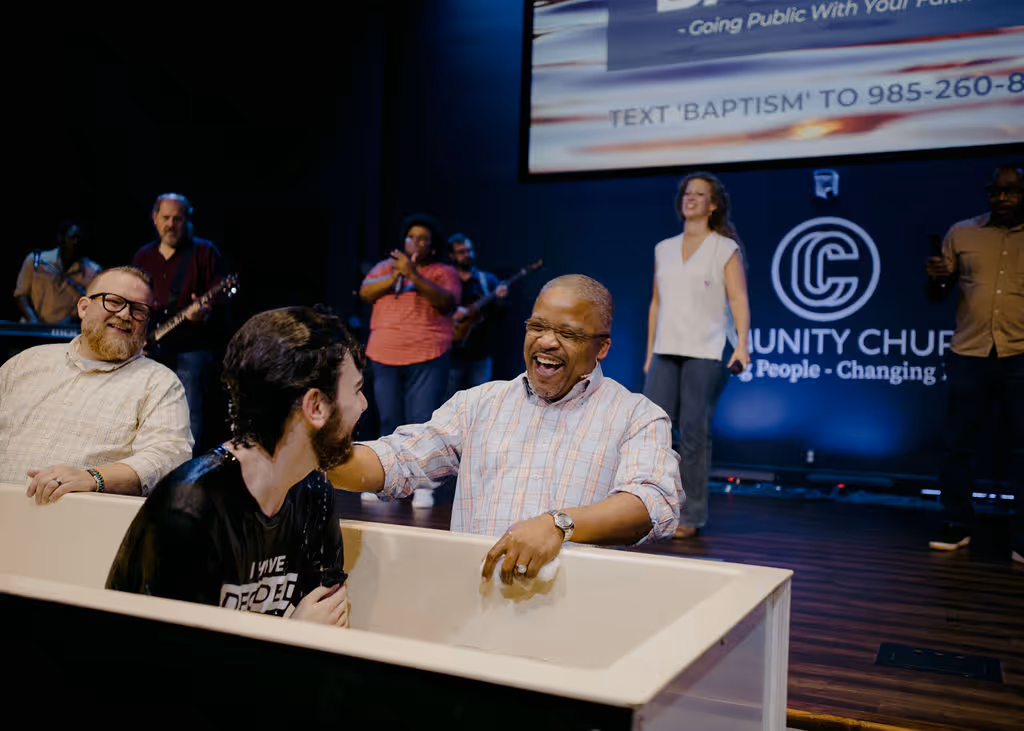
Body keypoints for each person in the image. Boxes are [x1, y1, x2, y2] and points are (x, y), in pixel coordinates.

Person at [329, 275, 680, 584]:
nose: (547, 341)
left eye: (567, 333)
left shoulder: (637, 416)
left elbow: (651, 504)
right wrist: (315, 455)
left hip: (577, 616)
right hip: (475, 608)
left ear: (601, 347)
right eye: (537, 327)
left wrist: (559, 524)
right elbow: (399, 458)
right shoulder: (478, 404)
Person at [106, 306, 366, 624]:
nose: (363, 405)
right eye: (356, 390)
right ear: (315, 406)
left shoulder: (314, 493)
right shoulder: (189, 510)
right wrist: (291, 633)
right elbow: (163, 652)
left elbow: (329, 619)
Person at [1, 265, 193, 501]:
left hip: (85, 521)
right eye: (114, 302)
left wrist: (94, 478)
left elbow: (169, 457)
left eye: (138, 310)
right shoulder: (26, 363)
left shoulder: (159, 383)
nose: (125, 314)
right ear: (83, 307)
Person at [642, 172, 751, 540]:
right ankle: (650, 505)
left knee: (693, 432)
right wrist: (649, 353)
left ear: (713, 204)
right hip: (665, 348)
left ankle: (691, 514)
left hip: (707, 348)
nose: (690, 198)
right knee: (653, 429)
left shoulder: (724, 248)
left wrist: (743, 345)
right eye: (687, 193)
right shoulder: (664, 248)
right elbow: (656, 303)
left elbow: (738, 298)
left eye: (700, 194)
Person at [925, 165, 1023, 563]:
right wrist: (937, 278)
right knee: (957, 446)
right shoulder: (962, 232)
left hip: (1020, 354)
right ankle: (956, 522)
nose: (1002, 198)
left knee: (1022, 448)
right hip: (970, 353)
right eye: (995, 191)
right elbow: (937, 294)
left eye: (1011, 192)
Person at [358, 214, 461, 507]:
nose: (415, 243)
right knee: (388, 418)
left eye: (423, 239)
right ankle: (383, 480)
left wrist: (414, 275)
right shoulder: (385, 268)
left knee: (421, 419)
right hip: (385, 352)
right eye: (411, 237)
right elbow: (366, 292)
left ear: (433, 246)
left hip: (426, 351)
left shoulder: (443, 271)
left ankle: (423, 486)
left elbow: (447, 302)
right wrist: (396, 276)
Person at [132, 192, 228, 451]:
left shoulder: (204, 252)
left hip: (191, 347)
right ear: (154, 218)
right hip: (151, 346)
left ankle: (186, 464)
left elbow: (220, 298)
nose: (170, 224)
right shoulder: (144, 256)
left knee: (188, 412)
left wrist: (204, 311)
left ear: (187, 220)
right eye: (165, 218)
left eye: (177, 219)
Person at [446, 233, 509, 397]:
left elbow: (500, 314)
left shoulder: (487, 280)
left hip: (480, 353)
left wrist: (501, 299)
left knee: (480, 401)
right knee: (450, 402)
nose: (467, 254)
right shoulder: (446, 280)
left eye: (469, 250)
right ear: (452, 255)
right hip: (452, 355)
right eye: (461, 252)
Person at [14, 220, 102, 324]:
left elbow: (92, 304)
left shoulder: (93, 271)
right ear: (61, 238)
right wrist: (33, 320)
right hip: (33, 325)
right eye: (72, 237)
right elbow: (21, 294)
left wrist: (64, 325)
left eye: (79, 239)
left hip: (68, 328)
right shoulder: (36, 261)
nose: (76, 242)